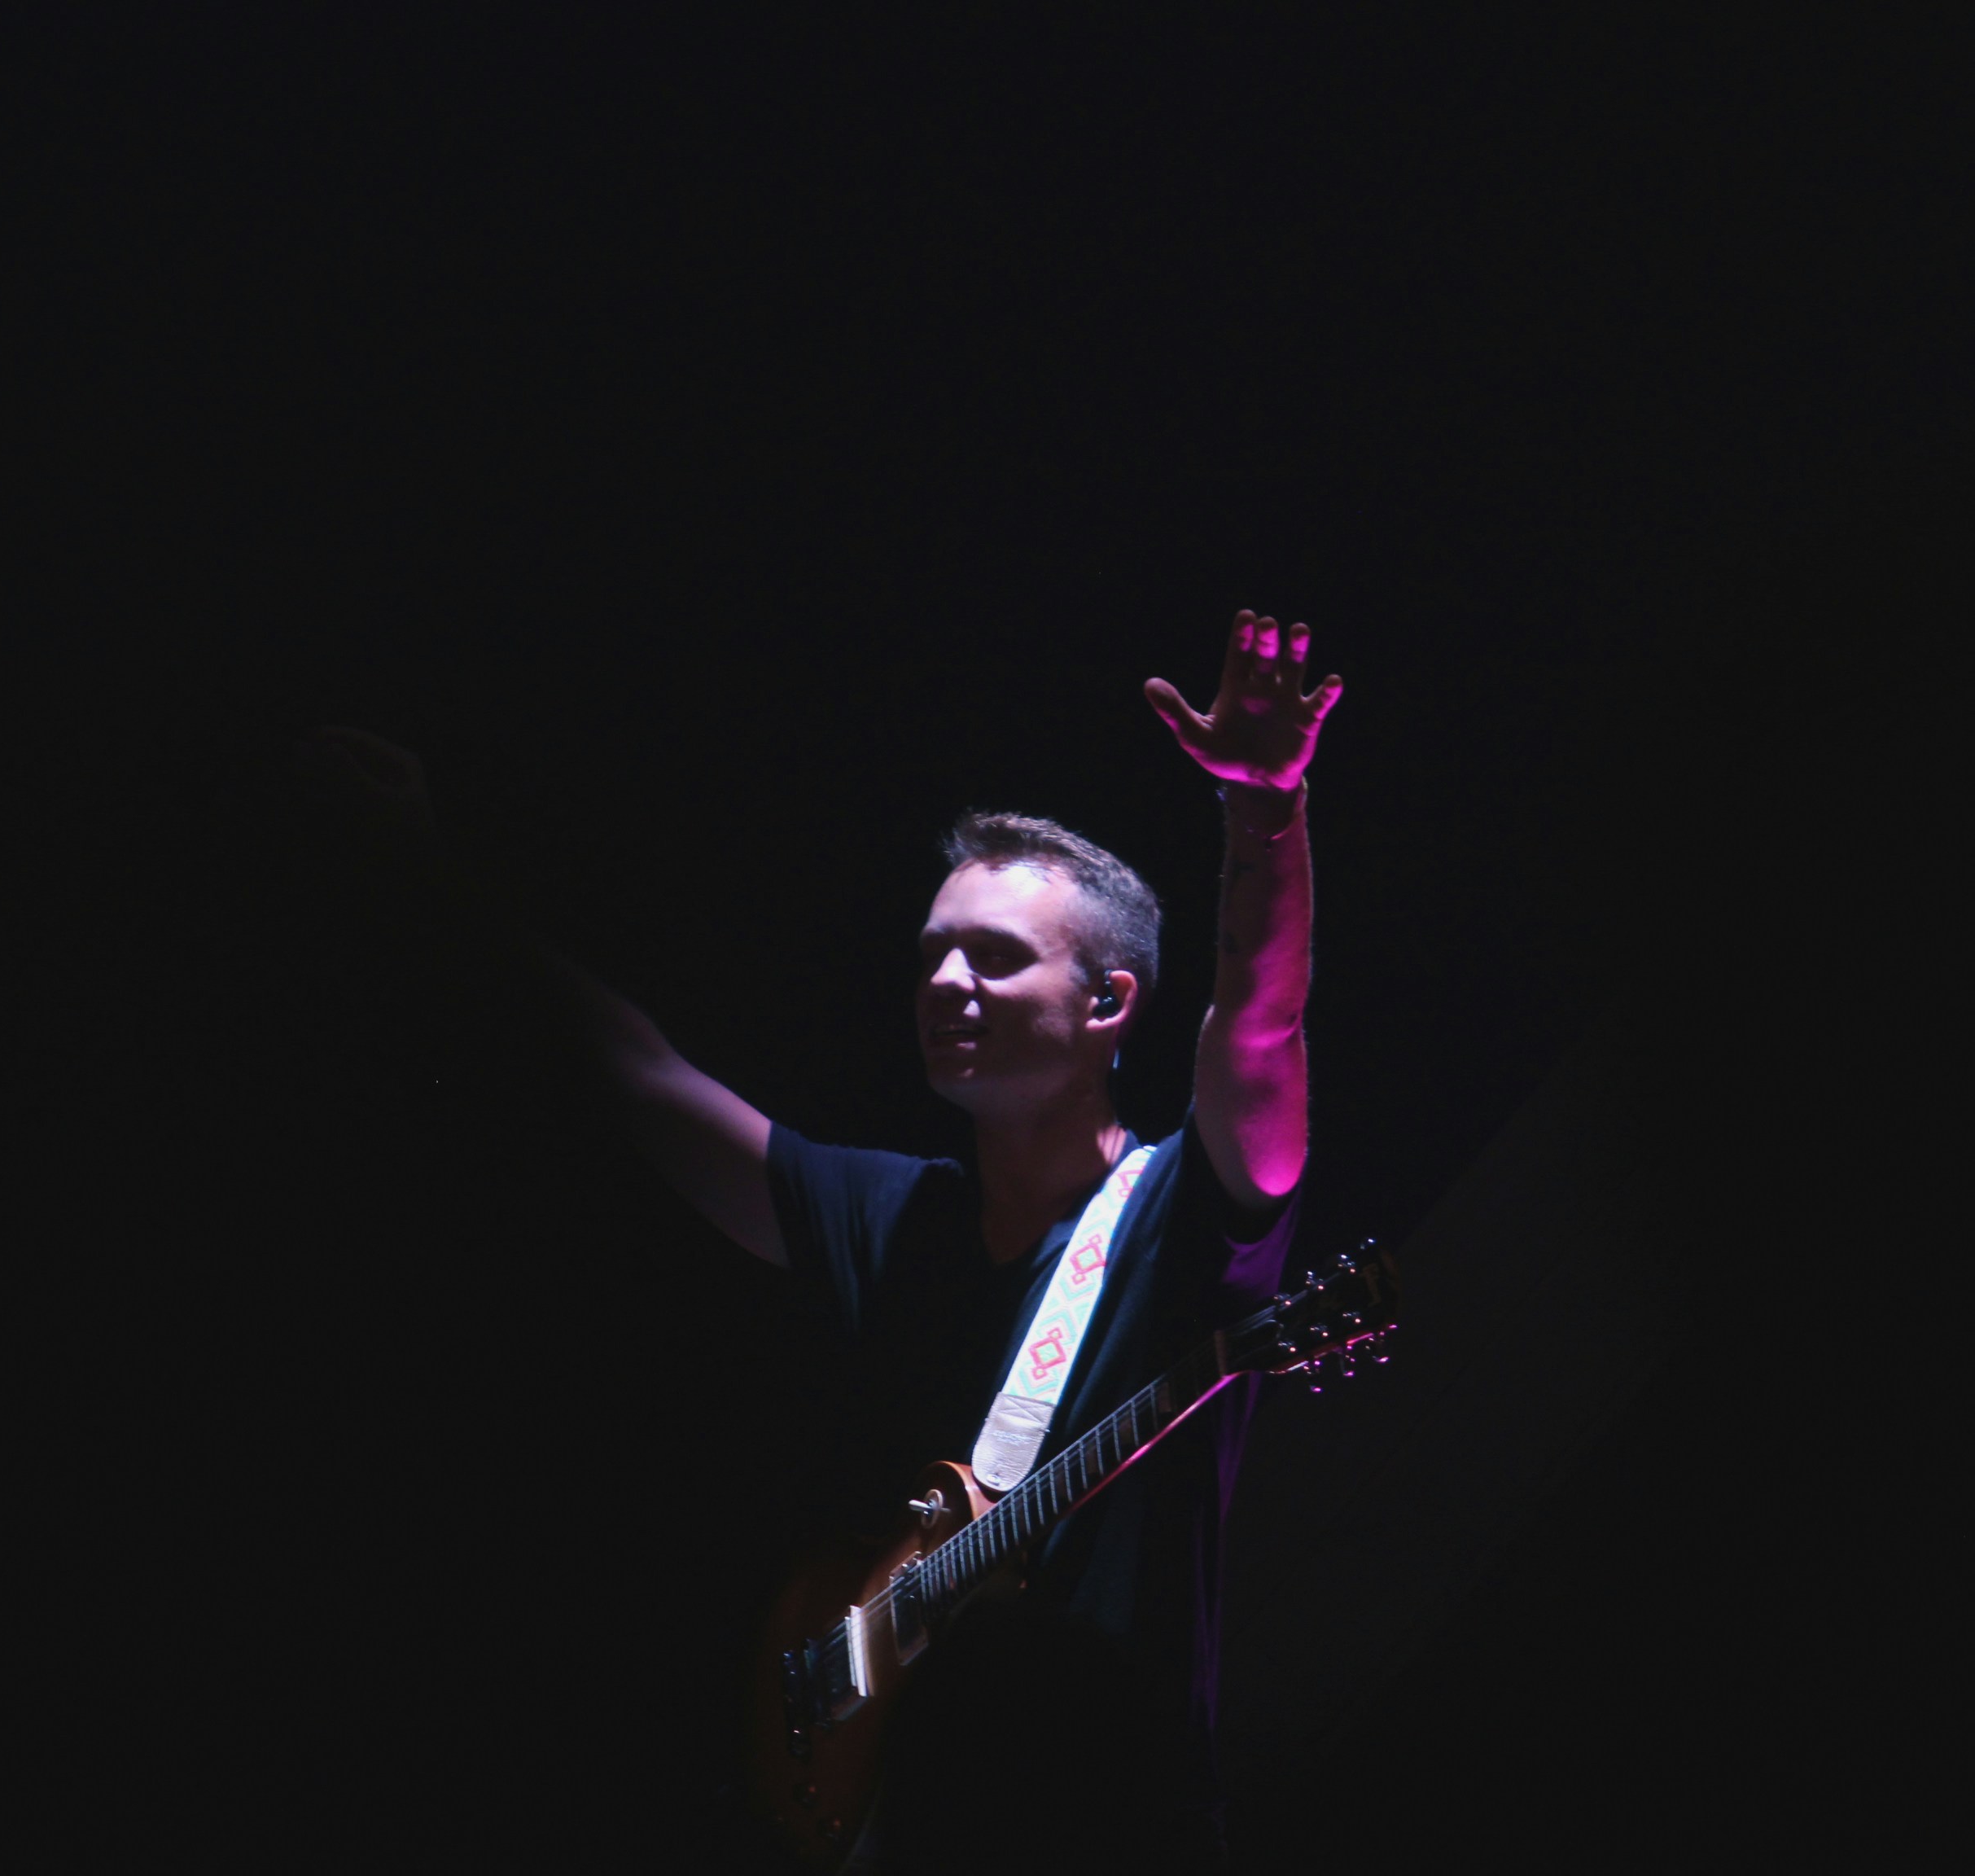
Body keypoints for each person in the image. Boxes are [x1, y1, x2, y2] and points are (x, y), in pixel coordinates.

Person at [291, 609, 1342, 1871]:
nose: (947, 981)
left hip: (1110, 1822)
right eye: (933, 954)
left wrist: (1263, 814)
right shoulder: (888, 1213)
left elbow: (1262, 1027)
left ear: (1112, 1002)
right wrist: (422, 857)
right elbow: (640, 1078)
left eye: (997, 958)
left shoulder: (1188, 1212)